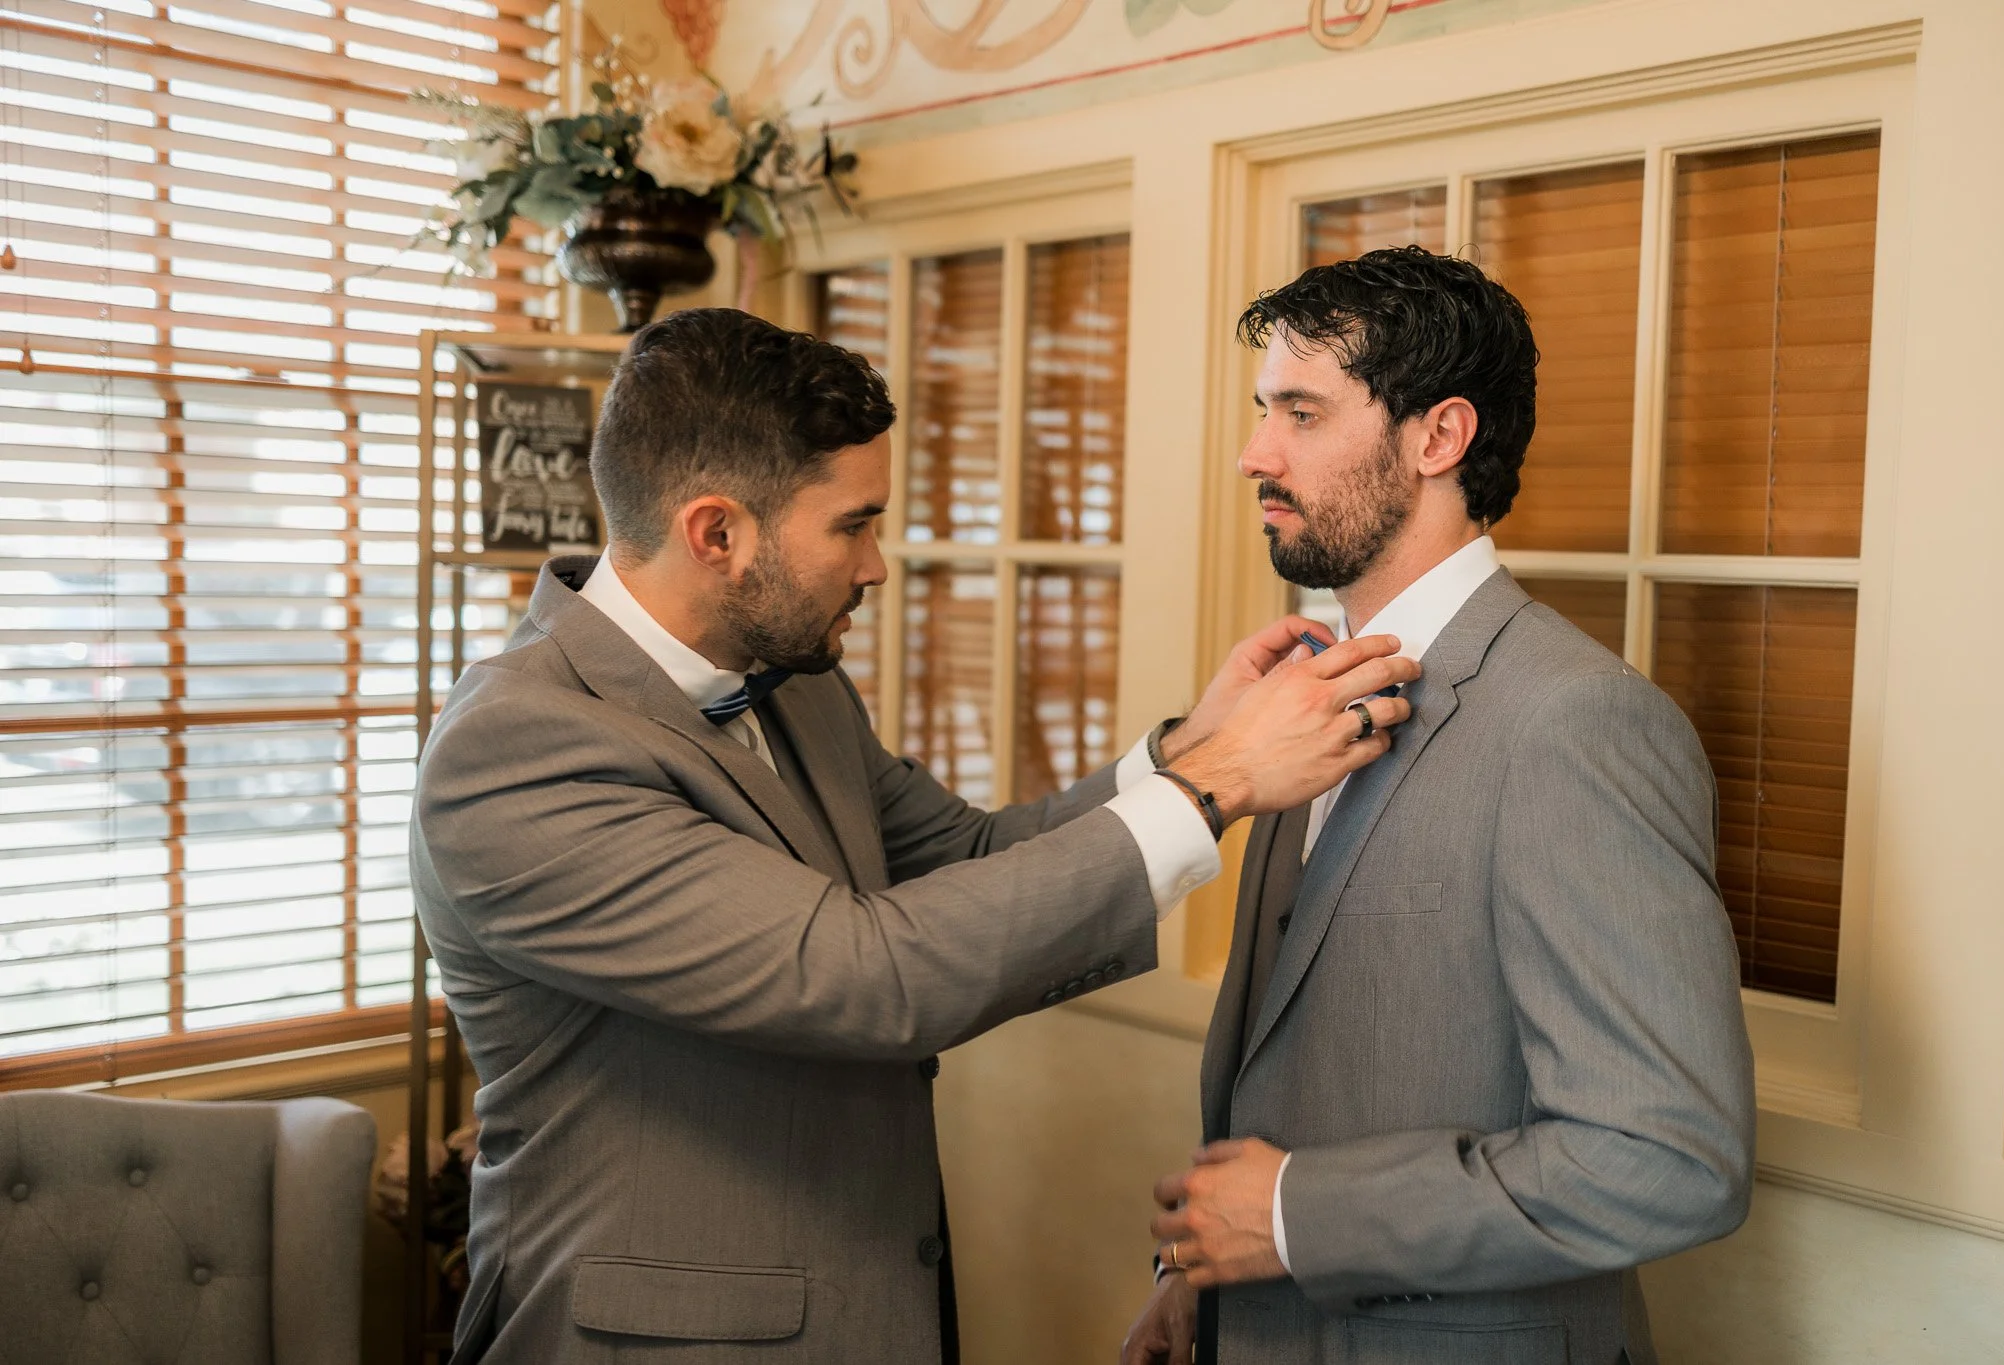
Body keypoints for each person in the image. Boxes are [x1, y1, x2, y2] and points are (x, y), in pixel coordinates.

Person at [409, 307, 1419, 1365]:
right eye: (852, 525)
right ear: (717, 534)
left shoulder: (793, 686)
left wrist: (1182, 753)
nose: (877, 565)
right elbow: (859, 975)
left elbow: (973, 861)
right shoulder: (514, 753)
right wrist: (1219, 785)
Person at [1122, 248, 1755, 1365]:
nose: (1252, 455)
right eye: (1264, 411)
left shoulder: (1575, 724)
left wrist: (1290, 1218)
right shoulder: (1303, 689)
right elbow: (1297, 1057)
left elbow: (1668, 1161)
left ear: (1436, 438)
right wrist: (1199, 1281)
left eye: (1301, 415)